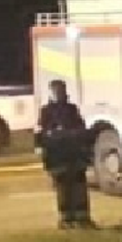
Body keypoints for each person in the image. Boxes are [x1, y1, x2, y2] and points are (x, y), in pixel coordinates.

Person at [35, 80, 95, 229]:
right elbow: (40, 132)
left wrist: (80, 140)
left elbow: (81, 128)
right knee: (63, 188)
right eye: (55, 90)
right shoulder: (46, 111)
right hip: (57, 156)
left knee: (79, 187)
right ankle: (66, 219)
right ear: (51, 93)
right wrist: (40, 146)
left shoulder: (72, 109)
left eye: (60, 90)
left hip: (74, 155)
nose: (58, 93)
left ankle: (82, 218)